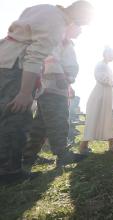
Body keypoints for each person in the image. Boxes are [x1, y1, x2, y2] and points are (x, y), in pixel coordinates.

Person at [0, 0, 93, 182]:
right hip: (15, 67)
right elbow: (35, 55)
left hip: (6, 59)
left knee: (10, 116)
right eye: (82, 23)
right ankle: (9, 172)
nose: (81, 27)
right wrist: (25, 93)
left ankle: (13, 164)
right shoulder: (56, 23)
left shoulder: (43, 8)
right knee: (16, 118)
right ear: (79, 14)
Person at [23, 21, 87, 169]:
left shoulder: (64, 40)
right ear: (70, 25)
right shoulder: (59, 37)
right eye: (80, 27)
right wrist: (60, 77)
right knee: (59, 119)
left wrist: (67, 83)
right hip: (54, 85)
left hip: (52, 86)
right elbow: (51, 56)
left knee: (41, 125)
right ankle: (62, 154)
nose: (81, 31)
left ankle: (27, 157)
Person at [79, 47, 113, 154]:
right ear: (104, 54)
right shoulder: (100, 65)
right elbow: (102, 78)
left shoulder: (107, 66)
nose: (112, 56)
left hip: (106, 97)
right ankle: (83, 147)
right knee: (93, 119)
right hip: (99, 96)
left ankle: (111, 147)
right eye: (110, 53)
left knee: (107, 120)